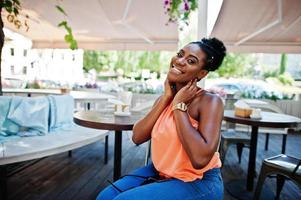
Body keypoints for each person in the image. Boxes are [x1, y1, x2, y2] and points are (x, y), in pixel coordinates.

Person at [96, 37, 226, 200]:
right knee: (105, 197)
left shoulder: (210, 101)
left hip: (198, 180)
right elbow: (137, 137)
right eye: (180, 54)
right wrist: (166, 98)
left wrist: (179, 105)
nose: (180, 61)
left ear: (202, 73)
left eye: (191, 61)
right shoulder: (164, 99)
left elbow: (200, 159)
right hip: (162, 171)